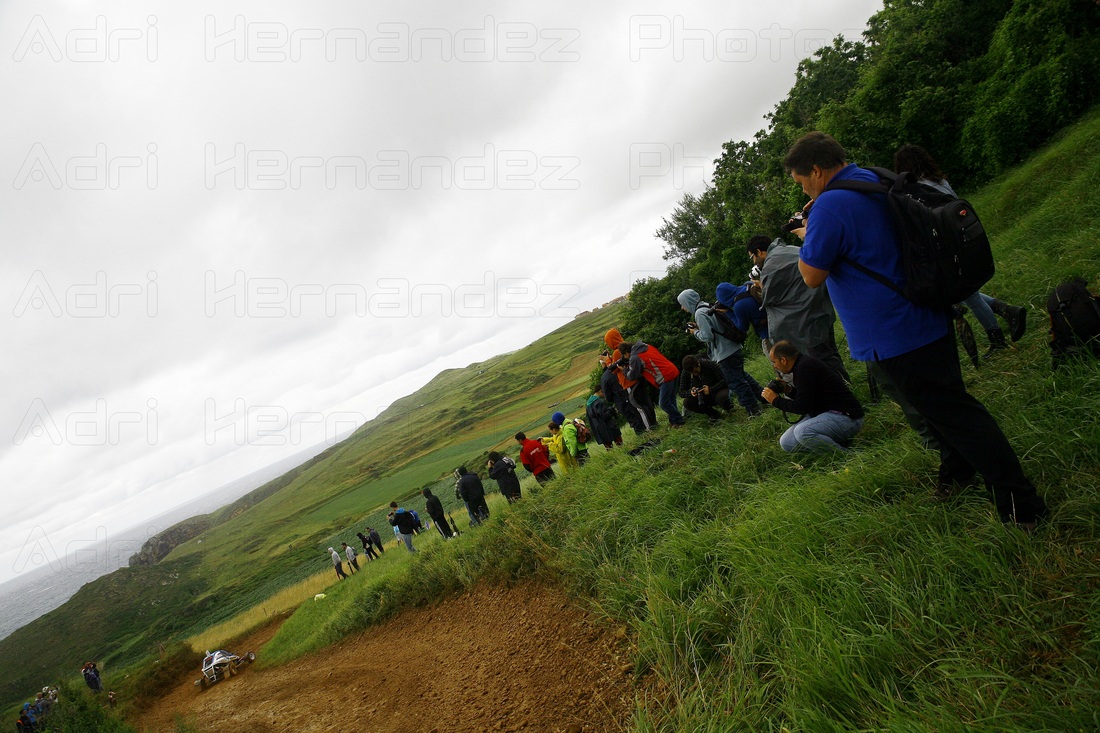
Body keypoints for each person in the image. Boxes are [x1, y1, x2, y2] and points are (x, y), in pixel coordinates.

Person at [785, 130, 1048, 530]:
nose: (805, 190)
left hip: (896, 333)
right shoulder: (875, 178)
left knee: (957, 414)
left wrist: (808, 233)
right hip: (926, 311)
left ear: (817, 171)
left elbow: (810, 275)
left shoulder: (830, 207)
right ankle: (958, 470)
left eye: (803, 182)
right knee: (941, 408)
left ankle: (1022, 506)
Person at [893, 143, 1027, 356]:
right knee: (964, 291)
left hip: (949, 245)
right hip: (964, 237)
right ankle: (1006, 310)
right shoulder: (940, 181)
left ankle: (997, 337)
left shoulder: (920, 190)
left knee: (968, 294)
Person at [746, 234, 851, 383]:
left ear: (759, 251)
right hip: (820, 310)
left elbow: (769, 298)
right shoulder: (791, 250)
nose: (755, 261)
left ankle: (842, 396)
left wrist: (759, 285)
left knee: (822, 363)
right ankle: (846, 388)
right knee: (830, 354)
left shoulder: (771, 265)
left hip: (805, 323)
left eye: (753, 257)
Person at [761, 340, 864, 453]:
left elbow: (802, 407)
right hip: (826, 412)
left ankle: (845, 455)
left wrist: (775, 400)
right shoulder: (801, 365)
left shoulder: (804, 368)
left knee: (803, 432)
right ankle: (832, 442)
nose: (775, 366)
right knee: (787, 442)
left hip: (848, 418)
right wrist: (789, 390)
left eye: (774, 362)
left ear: (783, 360)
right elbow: (808, 398)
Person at [678, 288, 764, 417]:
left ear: (688, 301)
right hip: (732, 347)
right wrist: (699, 327)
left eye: (682, 304)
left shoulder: (699, 313)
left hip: (725, 352)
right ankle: (764, 398)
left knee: (736, 383)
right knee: (742, 376)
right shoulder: (707, 305)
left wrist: (695, 332)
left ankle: (753, 410)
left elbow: (707, 336)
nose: (682, 308)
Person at [617, 333, 686, 428]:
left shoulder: (634, 357)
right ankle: (674, 421)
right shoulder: (645, 346)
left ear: (627, 353)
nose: (625, 358)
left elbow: (632, 375)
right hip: (672, 370)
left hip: (665, 377)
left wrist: (624, 370)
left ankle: (679, 420)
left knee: (664, 403)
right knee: (670, 400)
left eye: (624, 355)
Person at [603, 329, 658, 431]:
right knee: (646, 402)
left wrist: (607, 362)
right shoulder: (626, 347)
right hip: (638, 378)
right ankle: (654, 423)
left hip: (628, 382)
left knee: (639, 406)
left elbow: (614, 370)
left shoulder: (616, 352)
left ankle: (649, 428)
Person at [716, 281, 770, 358]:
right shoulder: (746, 287)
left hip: (767, 333)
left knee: (776, 360)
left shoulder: (739, 305)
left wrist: (728, 312)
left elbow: (743, 327)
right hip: (775, 321)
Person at [677, 354, 732, 421]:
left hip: (717, 391)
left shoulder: (709, 364)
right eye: (692, 373)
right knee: (687, 403)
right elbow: (681, 392)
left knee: (722, 397)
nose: (695, 374)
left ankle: (729, 408)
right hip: (702, 396)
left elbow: (724, 380)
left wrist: (710, 389)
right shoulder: (685, 373)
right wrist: (691, 392)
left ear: (698, 364)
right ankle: (713, 414)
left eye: (696, 372)